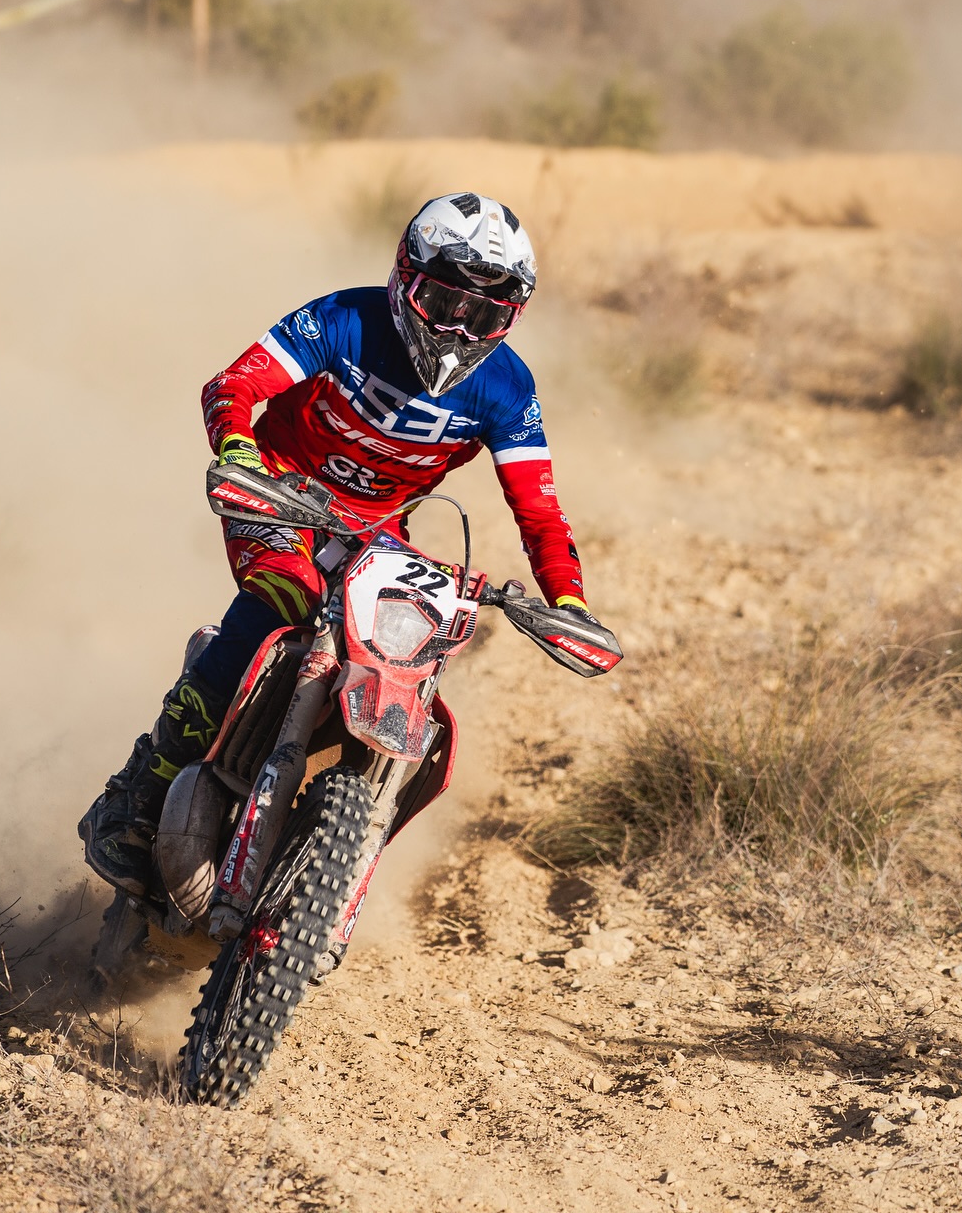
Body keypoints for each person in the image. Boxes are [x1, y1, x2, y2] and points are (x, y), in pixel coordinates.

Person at [79, 192, 612, 896]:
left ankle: (327, 841)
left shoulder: (508, 388)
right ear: (404, 277)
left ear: (510, 318)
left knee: (409, 649)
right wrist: (238, 451)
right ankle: (137, 794)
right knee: (286, 594)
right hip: (278, 489)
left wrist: (568, 602)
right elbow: (233, 385)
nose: (458, 329)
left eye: (483, 316)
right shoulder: (344, 319)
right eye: (443, 302)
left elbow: (539, 511)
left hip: (378, 531)